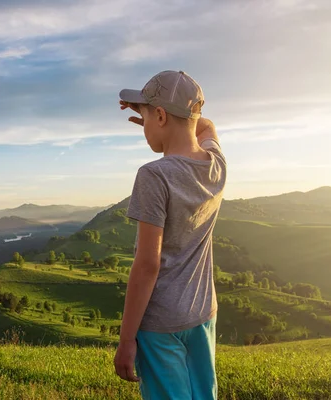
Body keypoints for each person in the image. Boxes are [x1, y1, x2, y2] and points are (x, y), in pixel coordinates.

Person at [113, 70, 226, 399]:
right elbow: (205, 127)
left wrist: (125, 340)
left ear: (160, 115)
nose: (143, 124)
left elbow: (147, 264)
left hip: (161, 324)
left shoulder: (154, 176)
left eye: (147, 115)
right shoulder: (216, 165)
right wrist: (166, 120)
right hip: (203, 313)